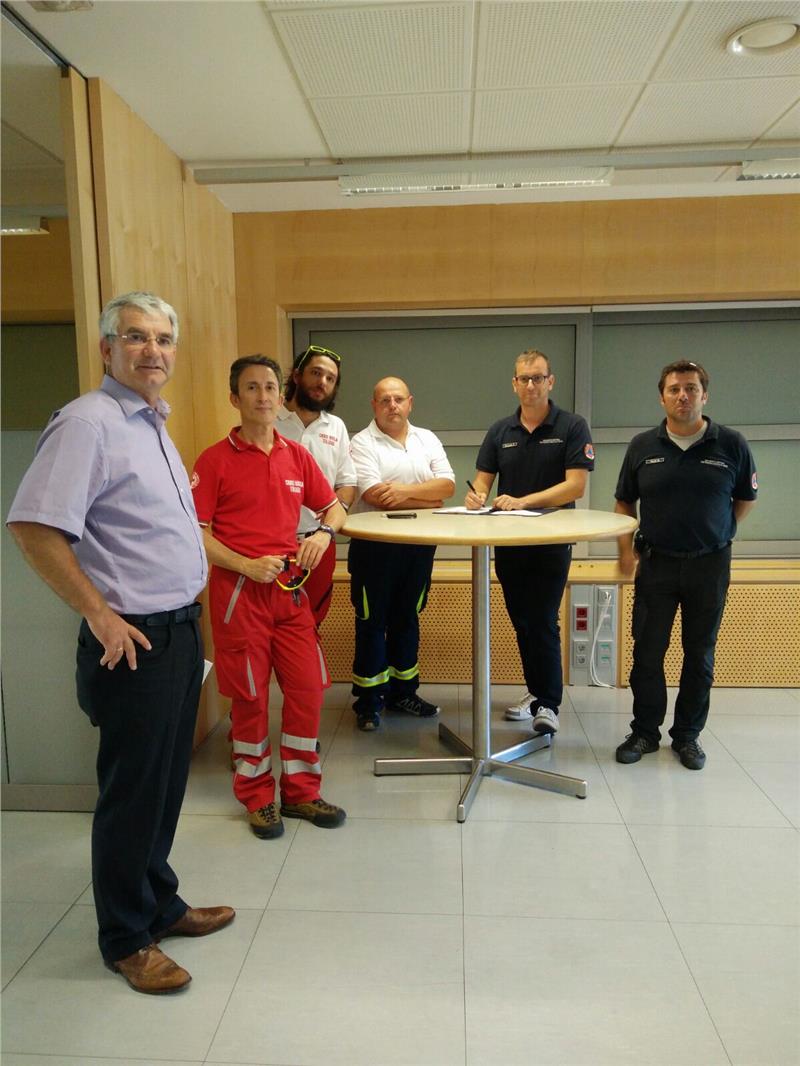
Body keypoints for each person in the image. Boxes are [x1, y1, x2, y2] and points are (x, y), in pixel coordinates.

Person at [7, 292, 234, 996]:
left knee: (164, 786)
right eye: (136, 337)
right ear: (107, 348)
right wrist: (100, 615)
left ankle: (158, 902)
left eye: (164, 339)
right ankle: (126, 938)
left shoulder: (152, 423)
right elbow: (34, 528)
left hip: (178, 632)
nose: (152, 351)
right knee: (132, 793)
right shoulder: (88, 423)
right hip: (131, 642)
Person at [191, 355, 347, 840]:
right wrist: (243, 564)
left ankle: (300, 791)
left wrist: (322, 533)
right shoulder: (214, 460)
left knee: (307, 689)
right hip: (239, 594)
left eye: (270, 387)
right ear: (235, 398)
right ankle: (257, 797)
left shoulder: (296, 455)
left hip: (290, 592)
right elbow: (194, 532)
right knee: (250, 697)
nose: (263, 396)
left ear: (282, 397)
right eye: (252, 388)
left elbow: (335, 508)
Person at [614, 359, 757, 770]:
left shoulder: (731, 444)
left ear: (704, 395)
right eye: (674, 389)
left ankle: (687, 736)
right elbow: (624, 501)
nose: (683, 396)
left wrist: (720, 531)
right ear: (662, 397)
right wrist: (625, 551)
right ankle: (645, 732)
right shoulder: (642, 446)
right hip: (656, 564)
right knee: (647, 653)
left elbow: (745, 499)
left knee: (699, 655)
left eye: (691, 388)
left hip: (709, 566)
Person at [466, 349, 594, 735]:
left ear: (550, 381)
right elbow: (483, 480)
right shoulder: (500, 431)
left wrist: (524, 501)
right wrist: (477, 496)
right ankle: (536, 692)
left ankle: (549, 704)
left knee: (542, 620)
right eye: (524, 378)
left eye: (538, 378)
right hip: (509, 543)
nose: (531, 385)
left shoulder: (572, 426)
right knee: (522, 621)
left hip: (552, 542)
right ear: (514, 384)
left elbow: (575, 485)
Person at [348, 376, 455, 731]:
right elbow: (375, 495)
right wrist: (427, 499)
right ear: (374, 405)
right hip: (374, 549)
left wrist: (405, 493)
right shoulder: (361, 443)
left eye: (398, 399)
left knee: (407, 618)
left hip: (419, 547)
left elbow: (448, 486)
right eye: (384, 400)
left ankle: (403, 693)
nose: (392, 406)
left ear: (410, 402)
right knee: (372, 621)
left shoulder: (427, 439)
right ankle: (369, 702)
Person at [277, 343, 357, 626]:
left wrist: (330, 523)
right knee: (272, 626)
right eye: (316, 373)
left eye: (330, 378)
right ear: (297, 375)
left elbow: (347, 484)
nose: (322, 382)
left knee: (312, 623)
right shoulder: (269, 420)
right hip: (274, 545)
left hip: (319, 543)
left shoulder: (336, 427)